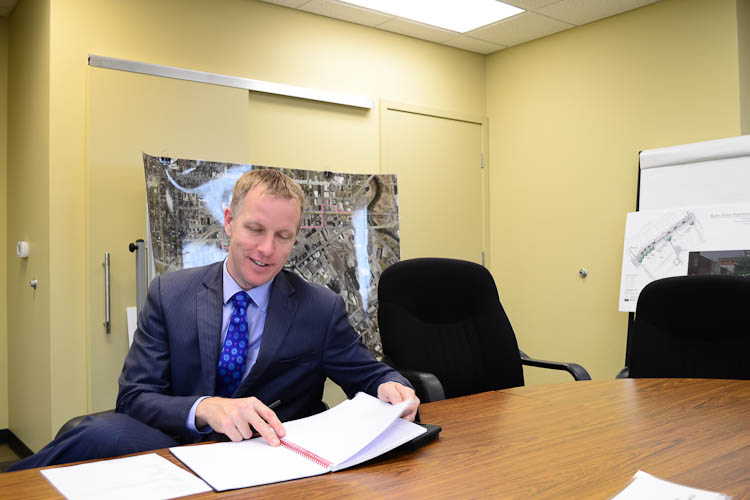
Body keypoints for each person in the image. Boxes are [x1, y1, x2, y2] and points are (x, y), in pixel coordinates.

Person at [9, 168, 418, 471]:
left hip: (273, 460)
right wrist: (206, 408)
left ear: (295, 237)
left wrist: (391, 386)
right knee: (94, 433)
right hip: (180, 449)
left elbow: (369, 376)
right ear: (228, 222)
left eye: (283, 236)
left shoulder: (320, 308)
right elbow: (134, 397)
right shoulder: (170, 293)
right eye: (254, 229)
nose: (266, 249)